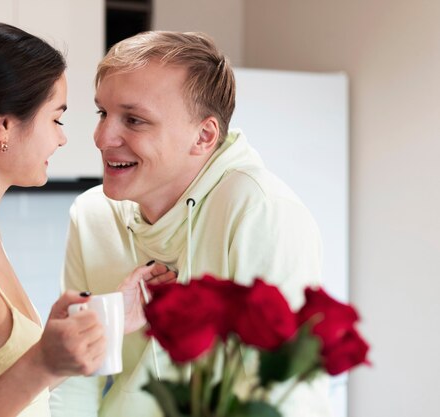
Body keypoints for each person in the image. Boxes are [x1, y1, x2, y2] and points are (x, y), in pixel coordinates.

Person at [49, 31, 333, 417]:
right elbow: (77, 378)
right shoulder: (92, 214)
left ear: (203, 136)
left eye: (134, 120)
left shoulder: (259, 211)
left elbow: (283, 394)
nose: (101, 138)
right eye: (103, 113)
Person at [0, 22, 173, 417]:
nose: (61, 139)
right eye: (56, 119)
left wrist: (101, 324)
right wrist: (40, 363)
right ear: (3, 125)